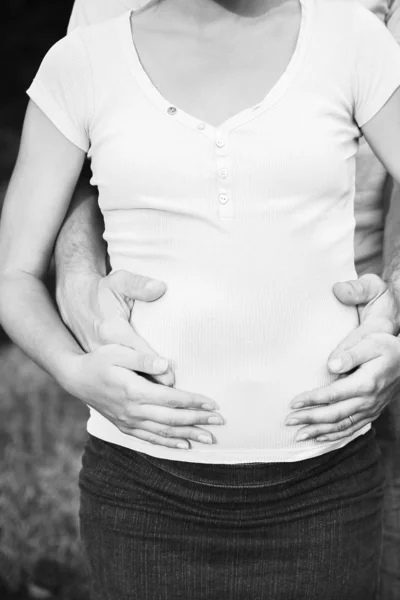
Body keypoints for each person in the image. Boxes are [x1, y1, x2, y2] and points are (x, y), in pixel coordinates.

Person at [1, 0, 400, 597]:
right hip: (143, 494)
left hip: (328, 487)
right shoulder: (83, 61)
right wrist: (74, 369)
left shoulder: (352, 42)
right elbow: (14, 275)